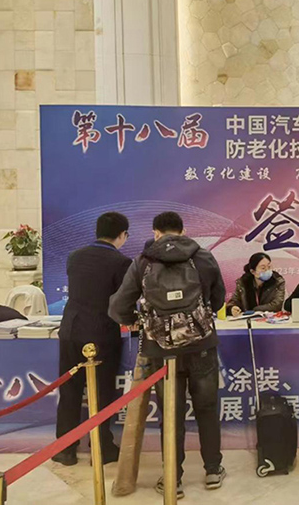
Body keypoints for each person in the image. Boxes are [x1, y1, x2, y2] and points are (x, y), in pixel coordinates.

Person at [109, 212, 226, 498]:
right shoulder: (203, 257)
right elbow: (218, 298)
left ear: (156, 233)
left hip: (161, 351)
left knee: (171, 414)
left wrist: (136, 320)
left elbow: (118, 307)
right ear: (183, 231)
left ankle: (174, 477)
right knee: (207, 408)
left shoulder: (143, 261)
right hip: (201, 346)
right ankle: (213, 470)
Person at [53, 212, 132, 467]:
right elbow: (122, 301)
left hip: (70, 330)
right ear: (122, 235)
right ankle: (101, 447)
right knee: (101, 392)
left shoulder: (75, 257)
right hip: (101, 334)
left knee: (70, 391)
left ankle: (65, 449)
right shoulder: (121, 262)